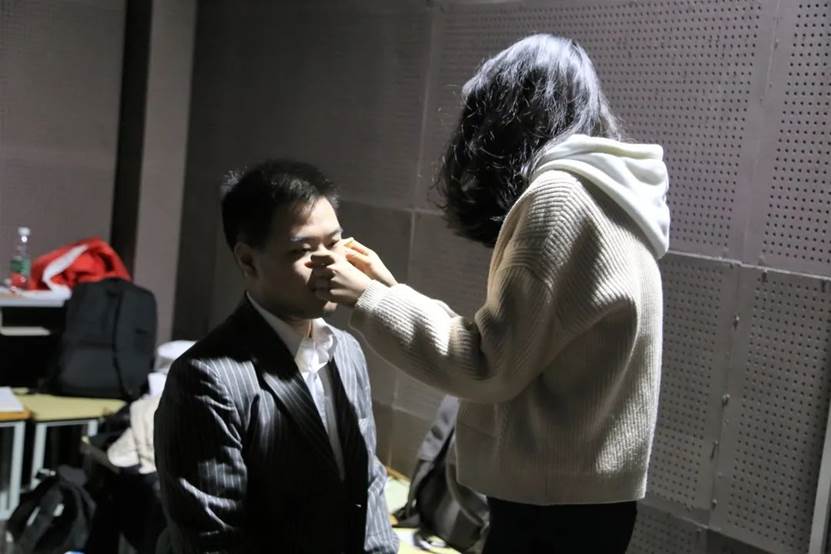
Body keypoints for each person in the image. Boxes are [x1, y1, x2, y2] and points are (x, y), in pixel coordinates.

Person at [308, 34, 670, 553]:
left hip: (549, 508)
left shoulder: (559, 199)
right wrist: (389, 288)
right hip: (589, 499)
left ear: (508, 112)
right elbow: (519, 342)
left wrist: (368, 298)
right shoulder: (616, 197)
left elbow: (487, 364)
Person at [154, 160, 398, 554]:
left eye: (335, 242)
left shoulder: (348, 351)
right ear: (248, 260)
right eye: (303, 251)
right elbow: (212, 540)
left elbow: (368, 484)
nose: (330, 265)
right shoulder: (206, 378)